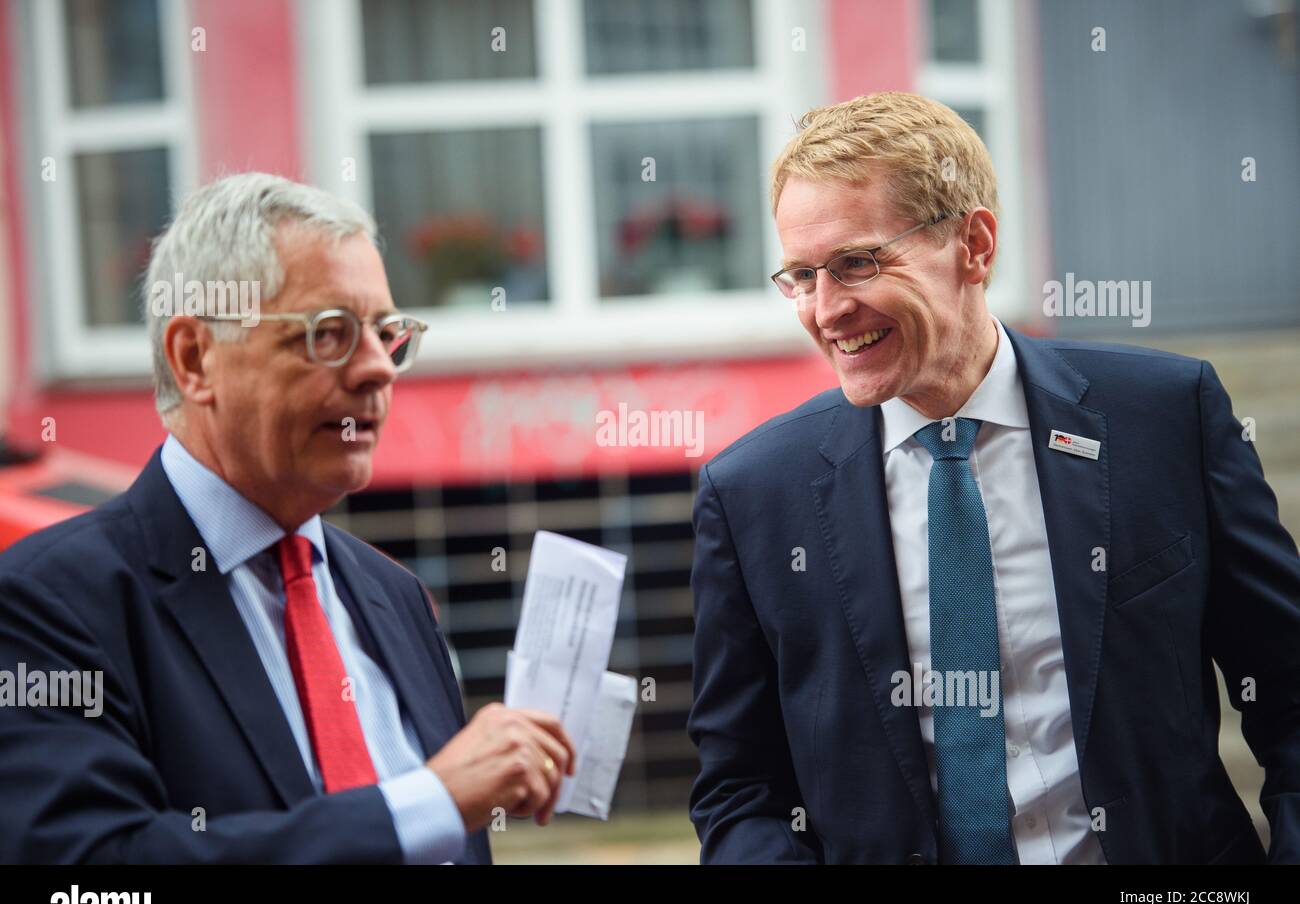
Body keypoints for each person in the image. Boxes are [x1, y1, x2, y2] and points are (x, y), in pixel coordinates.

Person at [687, 92, 1300, 864]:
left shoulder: (1164, 418)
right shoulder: (752, 495)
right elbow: (739, 791)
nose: (826, 309)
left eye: (856, 263)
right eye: (802, 275)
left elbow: (1287, 684)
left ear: (973, 245)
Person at [0, 173, 574, 863]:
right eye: (328, 334)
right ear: (195, 358)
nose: (377, 371)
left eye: (386, 334)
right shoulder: (48, 600)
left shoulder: (394, 599)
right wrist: (428, 803)